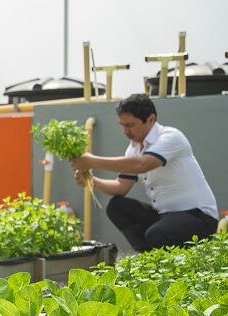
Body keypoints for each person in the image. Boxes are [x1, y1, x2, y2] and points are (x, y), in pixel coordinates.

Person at [69, 93, 218, 252]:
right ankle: (148, 259)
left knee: (157, 233)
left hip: (199, 217)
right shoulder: (133, 148)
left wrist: (93, 161)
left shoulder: (170, 137)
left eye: (130, 125)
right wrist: (91, 181)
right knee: (116, 206)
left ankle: (165, 263)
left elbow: (143, 164)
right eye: (122, 125)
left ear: (151, 120)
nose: (125, 131)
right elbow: (121, 187)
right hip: (166, 217)